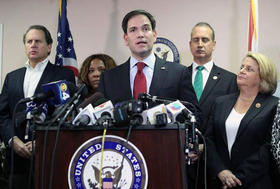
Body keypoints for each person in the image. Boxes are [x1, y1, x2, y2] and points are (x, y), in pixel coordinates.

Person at [0, 25, 75, 188]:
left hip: (48, 154)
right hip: (16, 158)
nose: (33, 45)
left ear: (49, 47)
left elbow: (66, 115)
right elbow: (2, 115)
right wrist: (13, 140)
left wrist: (41, 142)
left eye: (38, 41)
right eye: (29, 41)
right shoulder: (12, 77)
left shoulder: (63, 75)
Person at [205, 52, 278, 189]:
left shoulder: (273, 106)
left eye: (249, 69)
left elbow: (268, 148)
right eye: (242, 67)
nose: (242, 71)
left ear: (263, 77)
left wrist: (237, 178)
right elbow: (208, 139)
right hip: (220, 181)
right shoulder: (221, 102)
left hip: (255, 182)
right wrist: (221, 170)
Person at [98, 9, 197, 107]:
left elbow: (194, 114)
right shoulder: (108, 78)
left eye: (145, 29)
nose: (140, 35)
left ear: (154, 35)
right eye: (133, 30)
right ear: (126, 39)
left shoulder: (178, 73)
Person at [187, 22, 238, 189]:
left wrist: (205, 148)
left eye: (205, 40)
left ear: (214, 44)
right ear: (190, 44)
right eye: (196, 40)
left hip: (216, 163)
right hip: (184, 159)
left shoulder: (230, 80)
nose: (200, 44)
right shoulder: (177, 76)